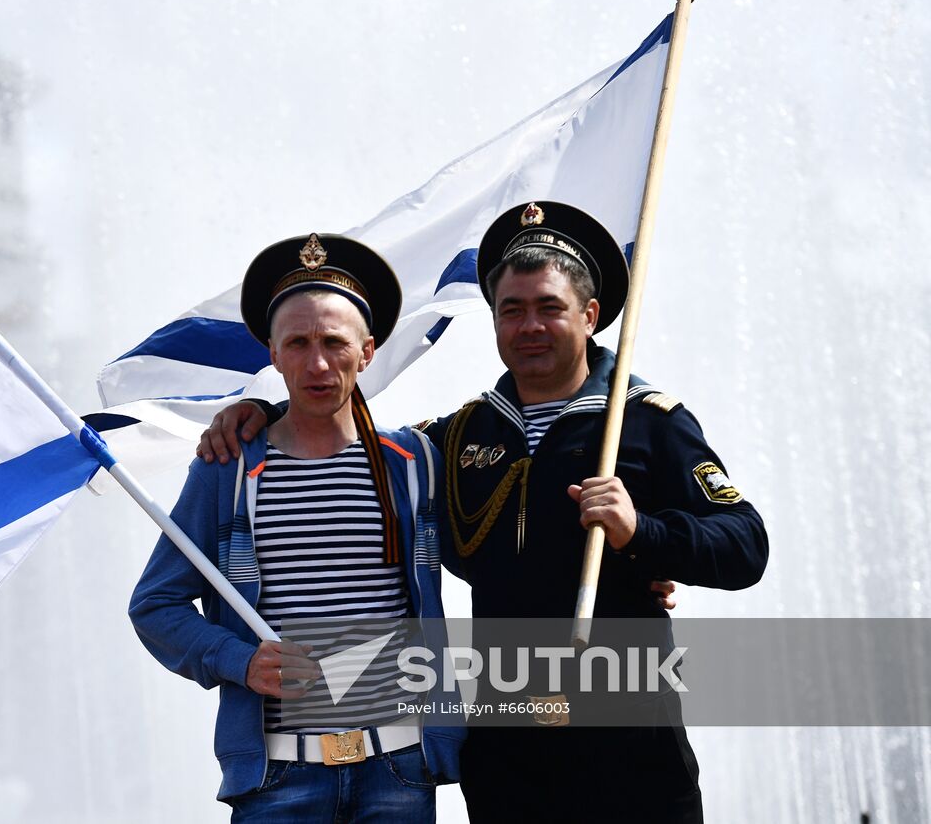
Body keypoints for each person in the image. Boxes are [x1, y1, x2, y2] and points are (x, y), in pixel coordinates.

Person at [199, 202, 769, 823]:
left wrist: (643, 534)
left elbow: (745, 545)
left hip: (631, 739)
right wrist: (258, 413)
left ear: (591, 314)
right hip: (508, 751)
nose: (530, 326)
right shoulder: (454, 437)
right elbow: (340, 446)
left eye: (549, 307)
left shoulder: (649, 423)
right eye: (512, 310)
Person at [130, 233, 464, 822]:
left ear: (367, 352)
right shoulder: (228, 471)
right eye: (298, 344)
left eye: (335, 343)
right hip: (277, 779)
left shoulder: (415, 462)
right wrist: (239, 659)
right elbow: (156, 605)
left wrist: (636, 561)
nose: (317, 363)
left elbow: (512, 542)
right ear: (273, 354)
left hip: (400, 771)